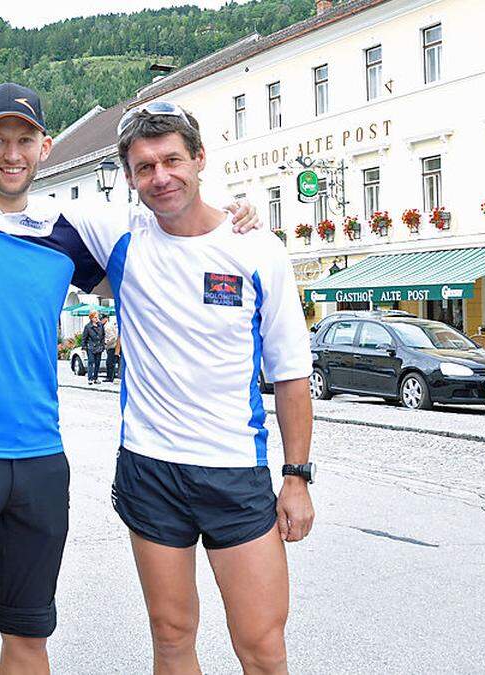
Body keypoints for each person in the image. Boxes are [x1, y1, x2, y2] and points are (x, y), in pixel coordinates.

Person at [0, 84, 262, 674]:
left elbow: (165, 264)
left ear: (45, 147)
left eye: (25, 139)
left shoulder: (65, 233)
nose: (12, 153)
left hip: (39, 463)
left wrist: (228, 220)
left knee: (28, 638)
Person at [96, 103, 314, 674]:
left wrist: (296, 479)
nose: (160, 176)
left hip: (234, 470)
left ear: (199, 159)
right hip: (150, 467)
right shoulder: (123, 238)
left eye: (172, 160)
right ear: (128, 177)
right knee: (171, 636)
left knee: (261, 645)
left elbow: (291, 374)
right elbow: (13, 203)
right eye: (144, 167)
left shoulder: (257, 249)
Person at [82, 311, 105, 384]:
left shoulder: (100, 325)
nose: (97, 318)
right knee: (91, 362)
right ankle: (90, 378)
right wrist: (84, 347)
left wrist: (102, 345)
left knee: (98, 363)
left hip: (99, 347)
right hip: (91, 347)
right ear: (91, 318)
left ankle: (95, 378)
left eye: (97, 317)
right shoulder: (88, 326)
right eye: (95, 317)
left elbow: (103, 335)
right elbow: (84, 338)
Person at [102, 314, 119, 383]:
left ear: (106, 319)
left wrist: (106, 342)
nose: (100, 321)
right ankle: (111, 376)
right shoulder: (109, 325)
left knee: (109, 363)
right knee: (111, 362)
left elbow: (113, 337)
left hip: (112, 346)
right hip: (113, 346)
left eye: (101, 319)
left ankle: (110, 377)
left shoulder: (107, 327)